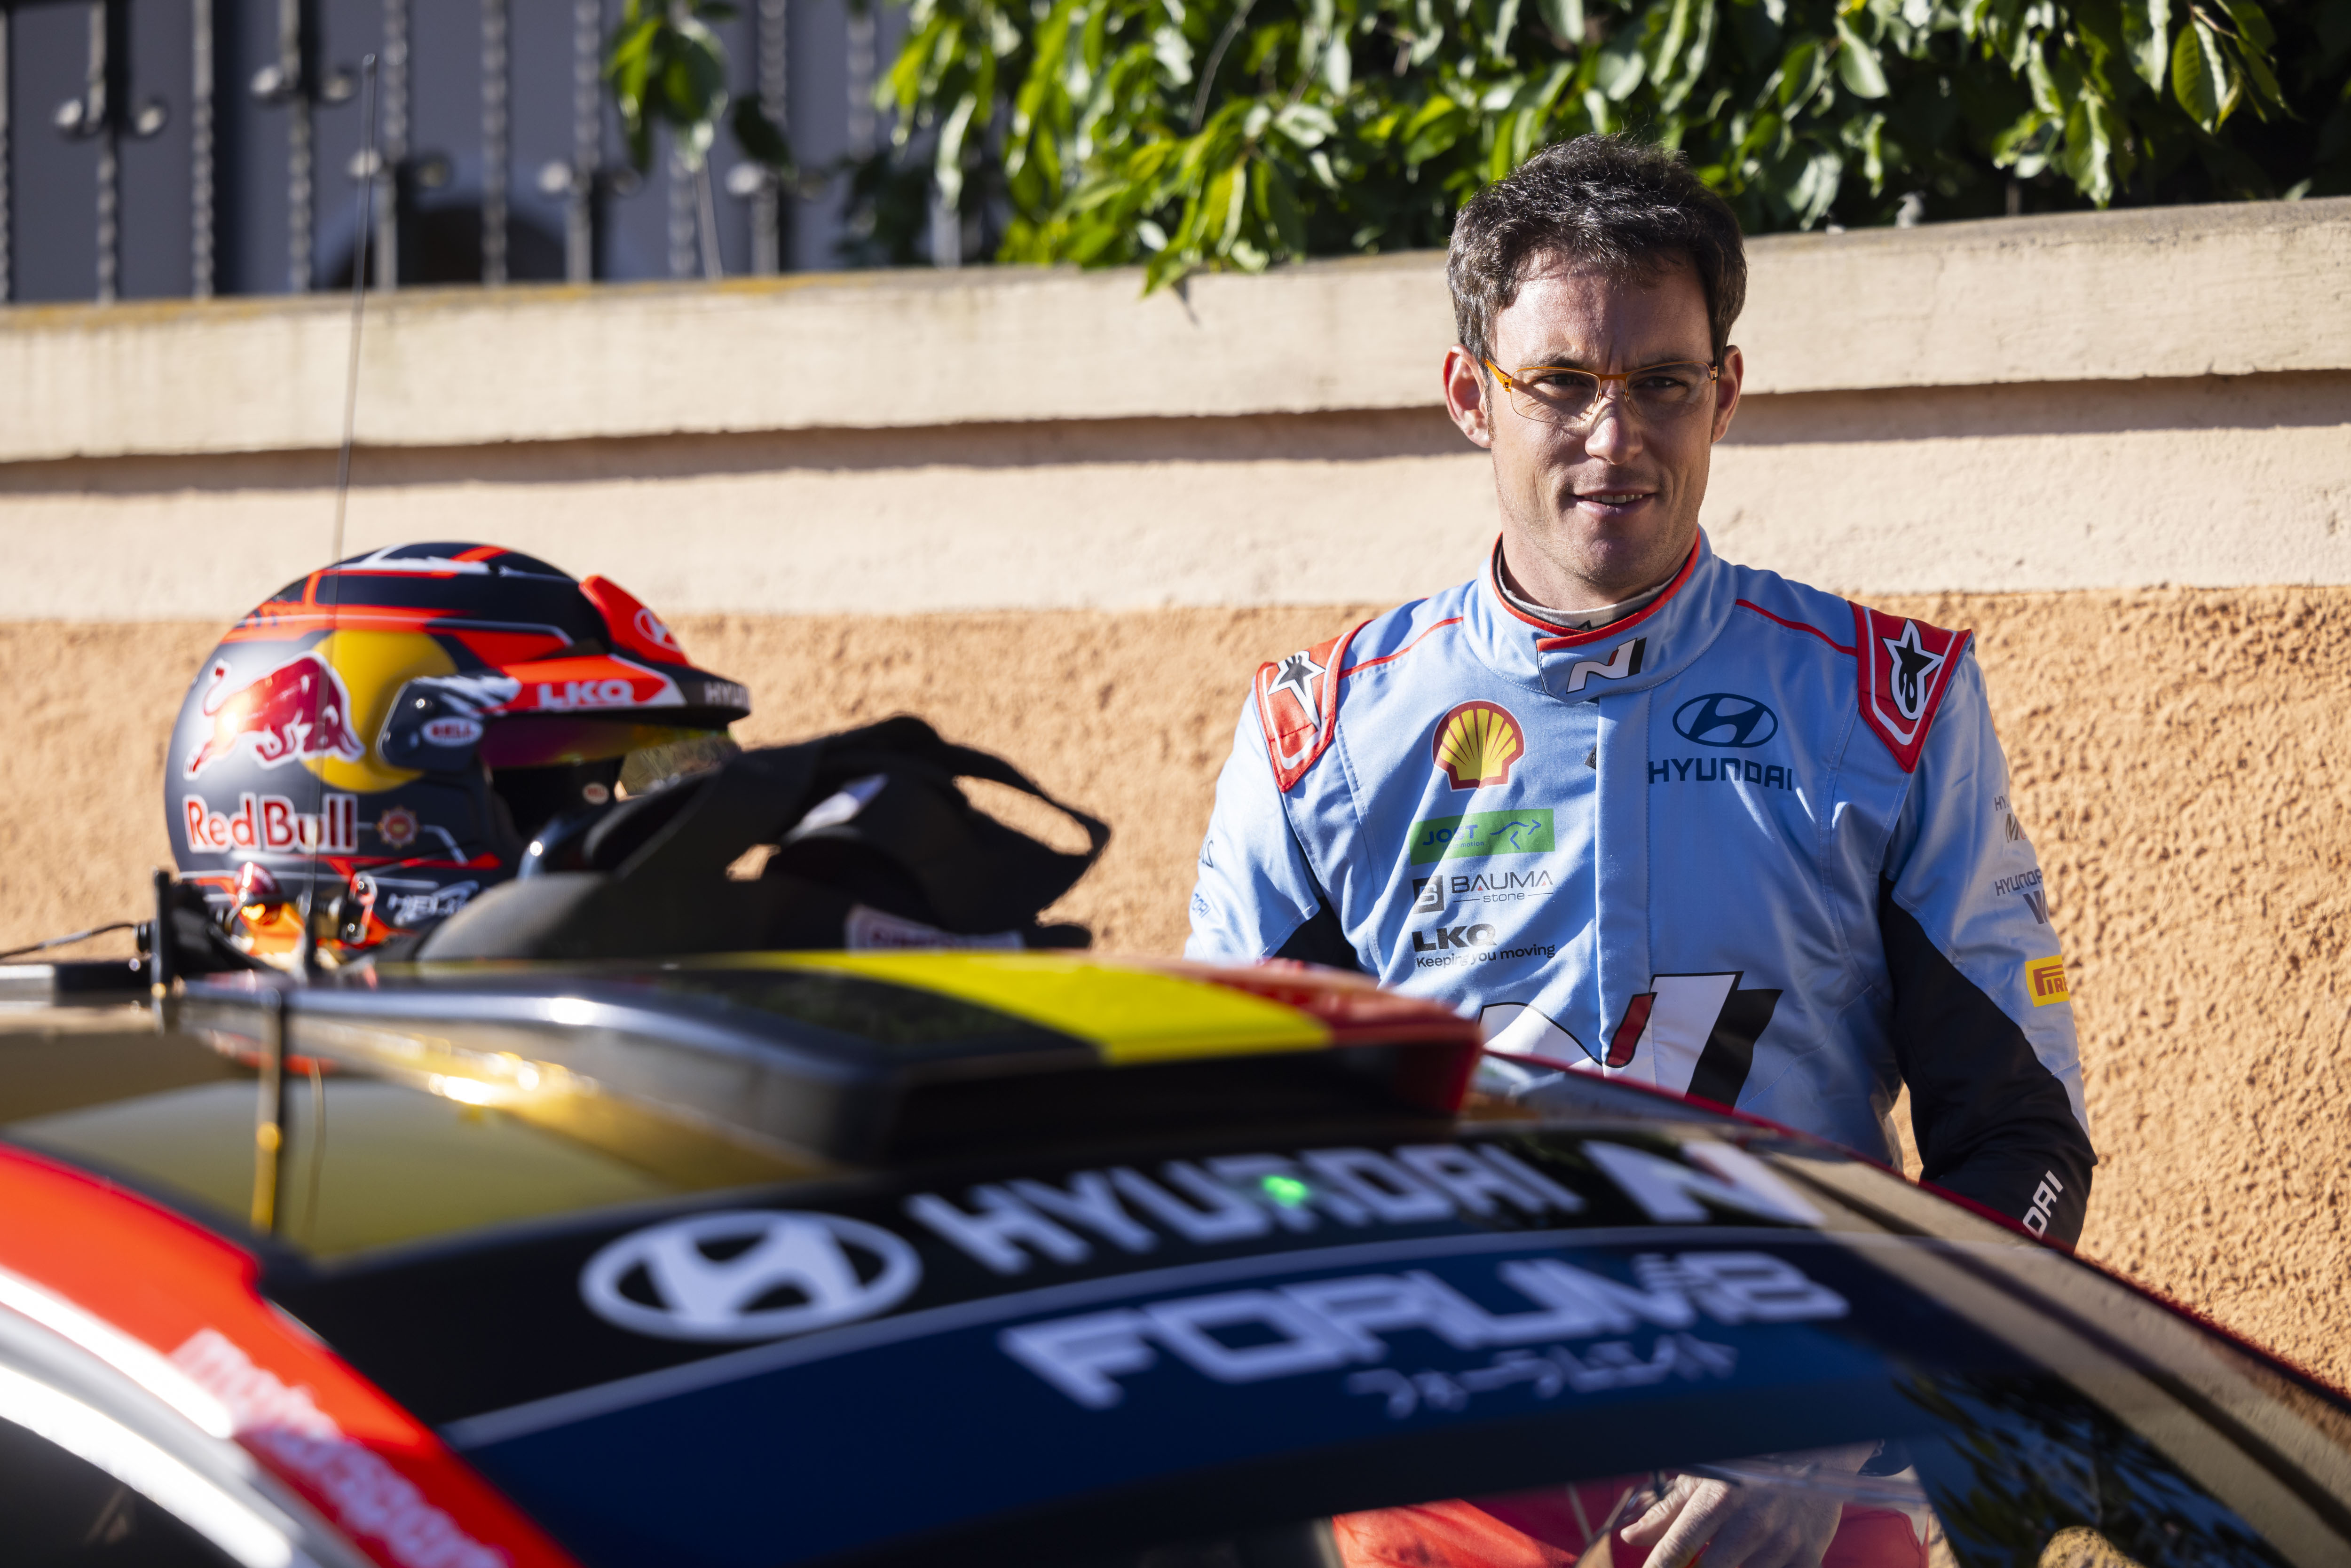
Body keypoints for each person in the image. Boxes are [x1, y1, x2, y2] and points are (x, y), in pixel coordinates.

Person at [1187, 135, 2093, 1245]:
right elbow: (1231, 1142)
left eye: (1662, 383)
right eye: (1560, 384)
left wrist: (1906, 1346)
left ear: (1723, 394)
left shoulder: (1886, 707)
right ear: (1471, 395)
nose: (1613, 438)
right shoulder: (1318, 735)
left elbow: (2021, 1139)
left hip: (1799, 1356)